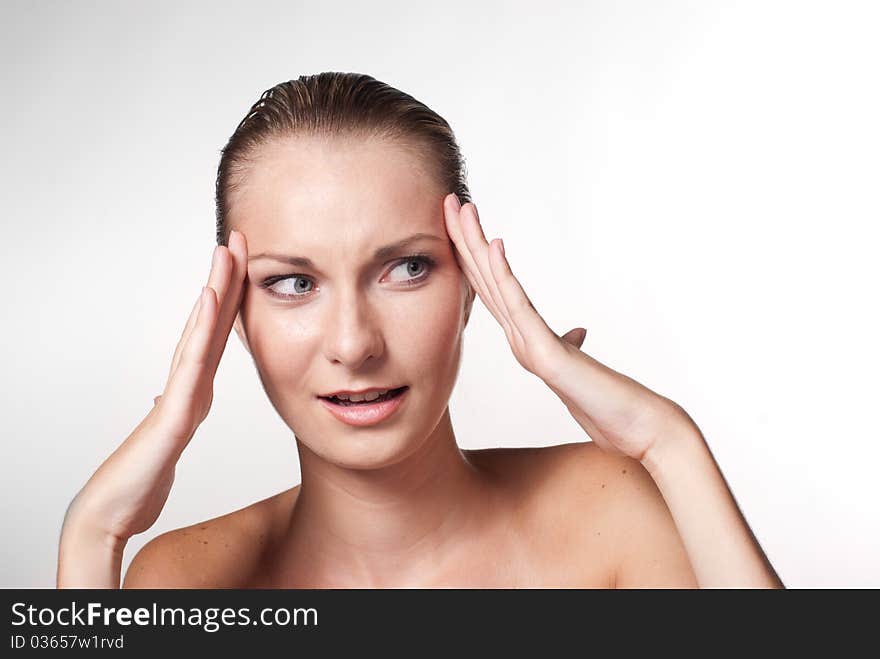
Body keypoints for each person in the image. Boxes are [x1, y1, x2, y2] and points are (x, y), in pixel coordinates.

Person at [56, 72, 784, 589]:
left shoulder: (609, 513)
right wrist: (93, 534)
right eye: (294, 282)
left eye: (405, 267)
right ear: (232, 317)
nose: (354, 342)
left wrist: (670, 442)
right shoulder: (190, 582)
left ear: (472, 283)